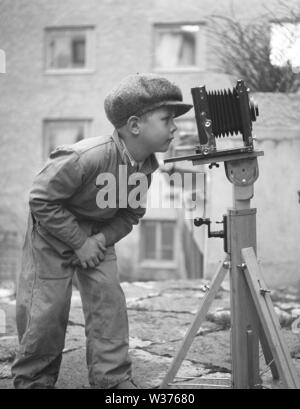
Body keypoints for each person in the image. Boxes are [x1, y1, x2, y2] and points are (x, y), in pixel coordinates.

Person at [11, 73, 192, 389]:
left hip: (97, 236)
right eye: (167, 119)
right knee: (46, 309)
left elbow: (130, 214)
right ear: (134, 125)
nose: (174, 127)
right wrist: (78, 241)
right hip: (53, 234)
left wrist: (97, 240)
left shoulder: (145, 167)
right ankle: (33, 379)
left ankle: (112, 380)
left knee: (109, 304)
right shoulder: (86, 156)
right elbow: (41, 199)